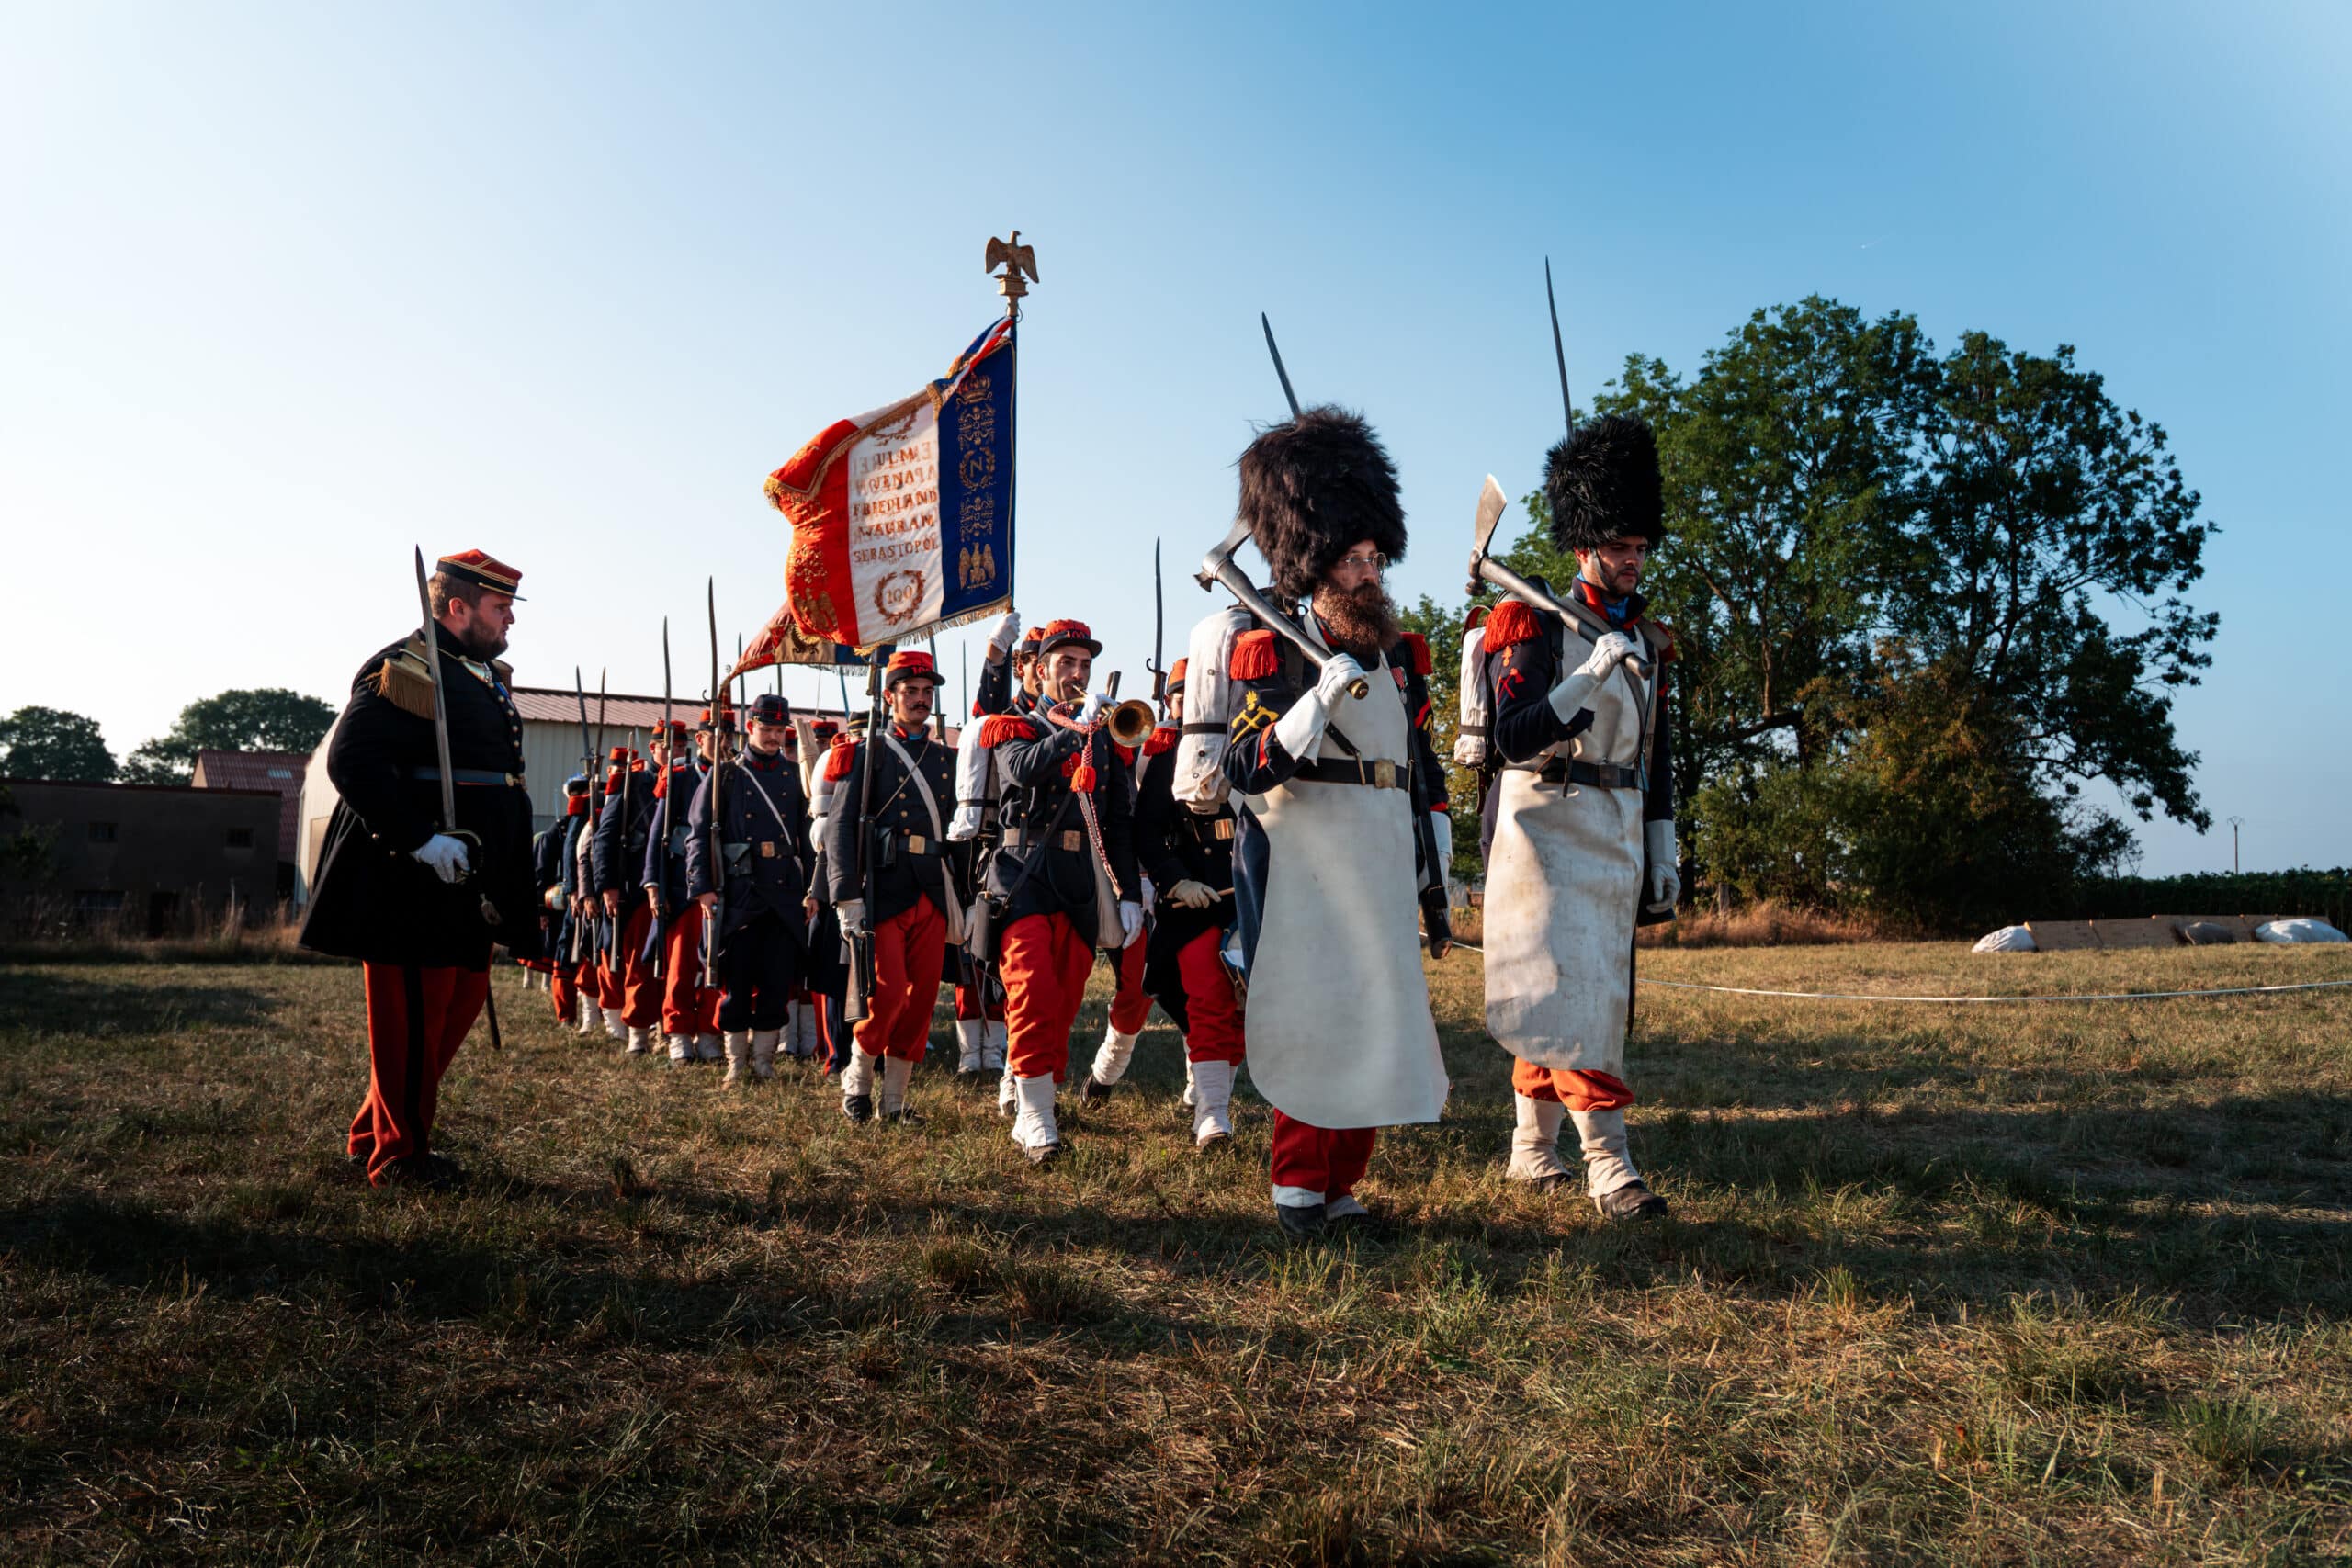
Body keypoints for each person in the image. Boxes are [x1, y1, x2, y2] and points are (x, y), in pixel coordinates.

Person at [1216, 408, 1453, 1240]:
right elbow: (1243, 772)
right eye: (1353, 560)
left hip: (1383, 847)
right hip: (1306, 858)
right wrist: (1314, 701)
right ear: (1315, 565)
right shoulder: (1268, 651)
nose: (1368, 574)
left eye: (1374, 558)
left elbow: (1419, 767)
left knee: (1378, 1015)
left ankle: (1345, 1183)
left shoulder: (1401, 655)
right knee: (1317, 1016)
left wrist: (1438, 866)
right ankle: (1296, 1186)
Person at [1482, 413, 1679, 1221]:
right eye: (1618, 547)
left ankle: (1532, 1149)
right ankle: (1610, 1163)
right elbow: (1512, 735)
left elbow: (1659, 754)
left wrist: (1665, 844)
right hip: (1545, 823)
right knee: (1569, 992)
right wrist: (1588, 674)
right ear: (1583, 549)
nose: (1632, 562)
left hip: (1620, 825)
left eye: (1640, 547)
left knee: (1579, 994)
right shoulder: (1533, 623)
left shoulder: (1650, 641)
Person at [300, 549, 538, 1188]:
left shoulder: (475, 672)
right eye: (499, 608)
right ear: (457, 607)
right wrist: (420, 839)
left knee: (451, 1011)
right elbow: (351, 762)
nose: (509, 621)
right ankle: (399, 1157)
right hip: (412, 881)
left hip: (467, 881)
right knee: (411, 1019)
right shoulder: (406, 668)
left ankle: (370, 1133)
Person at [983, 620, 1143, 1163]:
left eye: (1084, 665)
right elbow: (1022, 771)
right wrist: (1074, 729)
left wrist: (1127, 893)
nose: (1076, 674)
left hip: (1078, 876)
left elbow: (1118, 819)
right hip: (1022, 870)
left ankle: (1027, 1081)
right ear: (1041, 668)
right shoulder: (1012, 724)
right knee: (1031, 991)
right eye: (1066, 664)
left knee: (1066, 1000)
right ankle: (1035, 1118)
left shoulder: (1105, 737)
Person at [821, 650, 961, 1123]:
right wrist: (846, 895)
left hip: (933, 888)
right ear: (889, 697)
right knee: (887, 994)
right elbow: (840, 828)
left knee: (921, 998)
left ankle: (895, 1103)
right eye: (910, 692)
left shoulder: (947, 758)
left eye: (927, 693)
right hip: (884, 886)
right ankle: (857, 1080)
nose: (921, 700)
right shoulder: (866, 753)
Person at [1132, 659, 1248, 1147]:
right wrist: (1175, 882)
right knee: (1207, 1003)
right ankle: (1212, 1114)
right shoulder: (1166, 755)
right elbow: (1146, 832)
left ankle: (1210, 1091)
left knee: (1247, 1013)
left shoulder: (1250, 745)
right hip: (1194, 906)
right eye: (1181, 697)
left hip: (1247, 899)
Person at [687, 692, 813, 1085]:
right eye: (768, 729)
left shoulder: (795, 776)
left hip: (783, 896)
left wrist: (812, 890)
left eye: (780, 730)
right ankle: (735, 1065)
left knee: (777, 984)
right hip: (740, 895)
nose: (775, 737)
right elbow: (698, 836)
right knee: (737, 984)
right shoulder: (726, 774)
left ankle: (764, 1063)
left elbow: (808, 839)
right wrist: (703, 887)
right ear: (750, 727)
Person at [641, 718, 723, 1067]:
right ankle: (677, 1035)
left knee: (716, 969)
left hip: (723, 888)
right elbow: (658, 836)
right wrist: (653, 883)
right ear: (701, 739)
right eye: (717, 737)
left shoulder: (734, 776)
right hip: (682, 887)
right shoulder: (679, 778)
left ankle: (709, 1033)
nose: (723, 744)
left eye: (730, 738)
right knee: (680, 967)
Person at [592, 740, 661, 1055]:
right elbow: (603, 838)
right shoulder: (630, 784)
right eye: (665, 746)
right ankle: (637, 1032)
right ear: (653, 747)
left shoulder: (687, 780)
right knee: (639, 965)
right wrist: (607, 885)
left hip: (677, 886)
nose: (672, 752)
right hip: (635, 887)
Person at [539, 774, 592, 1026]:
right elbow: (543, 870)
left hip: (589, 895)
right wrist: (542, 907)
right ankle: (566, 1015)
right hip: (562, 901)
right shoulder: (558, 829)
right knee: (564, 954)